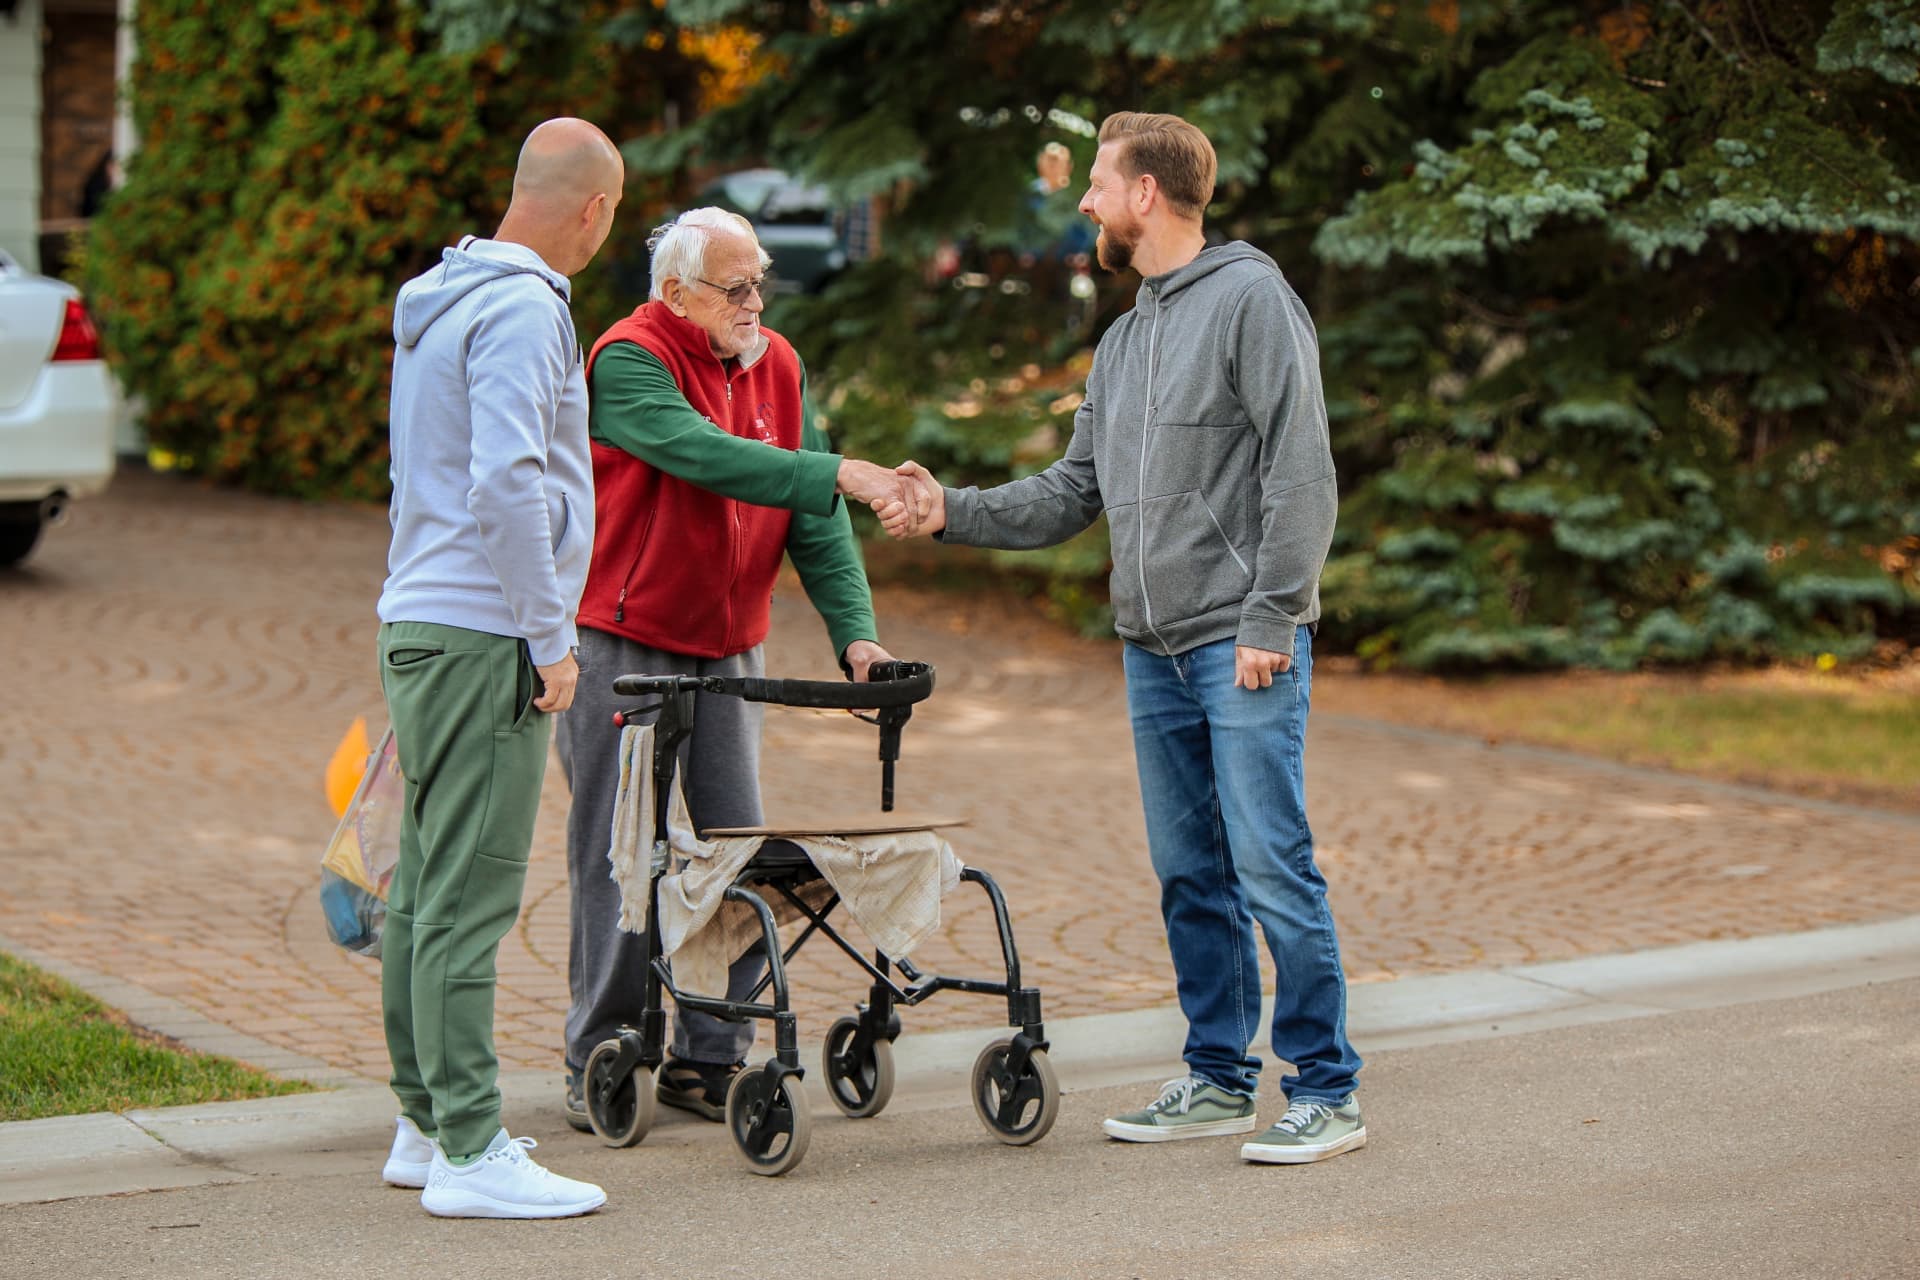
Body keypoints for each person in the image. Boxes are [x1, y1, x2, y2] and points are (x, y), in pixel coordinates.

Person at [880, 111, 1365, 1165]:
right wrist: (947, 509)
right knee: (1192, 873)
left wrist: (1272, 616)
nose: (1087, 201)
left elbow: (1302, 471)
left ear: (1147, 193)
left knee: (1274, 866)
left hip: (1240, 644)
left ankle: (1327, 1087)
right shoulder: (1127, 336)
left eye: (1099, 183)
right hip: (1152, 649)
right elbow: (1071, 493)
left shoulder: (1251, 300)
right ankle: (1219, 1076)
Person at [558, 207, 908, 1129]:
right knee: (619, 853)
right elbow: (709, 458)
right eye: (736, 286)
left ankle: (711, 1056)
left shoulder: (779, 365)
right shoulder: (627, 360)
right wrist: (834, 471)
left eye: (761, 282)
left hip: (729, 649)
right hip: (623, 641)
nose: (756, 301)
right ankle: (603, 1048)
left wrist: (857, 638)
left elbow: (814, 521)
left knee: (732, 854)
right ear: (676, 294)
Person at [374, 117, 622, 1218]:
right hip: (485, 631)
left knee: (428, 884)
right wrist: (550, 634)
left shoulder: (439, 293)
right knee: (470, 892)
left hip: (423, 618)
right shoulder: (526, 308)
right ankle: (472, 1147)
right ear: (593, 210)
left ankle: (427, 1120)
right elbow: (506, 481)